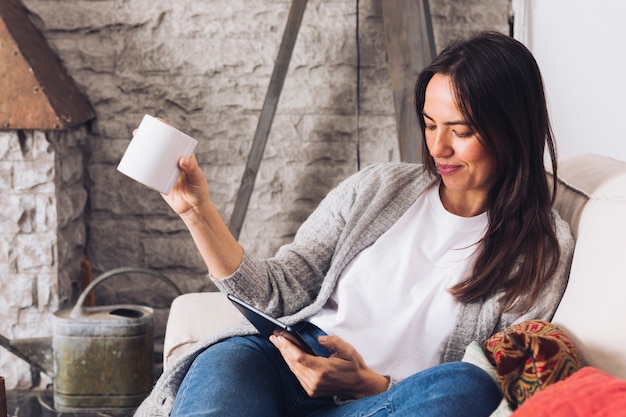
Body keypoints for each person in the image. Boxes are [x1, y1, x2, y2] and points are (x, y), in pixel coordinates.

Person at [133, 31, 574, 417]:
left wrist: (368, 384)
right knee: (227, 361)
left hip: (381, 402)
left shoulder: (541, 250)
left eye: (460, 131)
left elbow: (498, 384)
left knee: (467, 387)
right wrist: (196, 210)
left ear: (513, 130)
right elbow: (278, 291)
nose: (439, 147)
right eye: (429, 124)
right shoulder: (377, 188)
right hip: (278, 364)